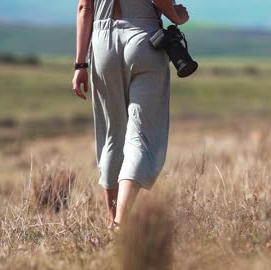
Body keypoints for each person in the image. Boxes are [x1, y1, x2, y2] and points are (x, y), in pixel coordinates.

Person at [72, 0, 189, 229]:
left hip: (102, 41)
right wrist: (176, 16)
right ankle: (121, 222)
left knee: (112, 136)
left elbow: (85, 8)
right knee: (141, 137)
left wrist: (80, 65)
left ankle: (112, 221)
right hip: (143, 37)